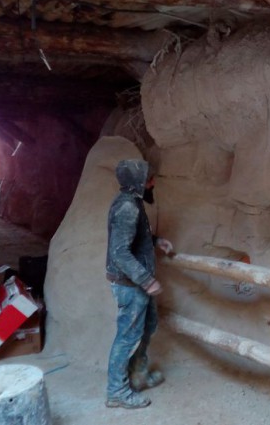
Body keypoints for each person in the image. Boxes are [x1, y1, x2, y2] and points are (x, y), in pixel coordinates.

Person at [105, 159, 173, 409]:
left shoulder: (132, 203)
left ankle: (137, 374)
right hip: (131, 285)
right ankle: (116, 391)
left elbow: (134, 238)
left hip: (136, 284)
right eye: (148, 179)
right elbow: (120, 252)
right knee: (127, 336)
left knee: (148, 327)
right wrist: (146, 281)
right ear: (138, 184)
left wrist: (156, 241)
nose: (152, 182)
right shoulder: (128, 209)